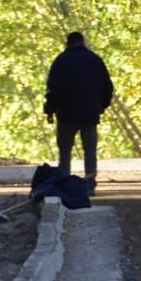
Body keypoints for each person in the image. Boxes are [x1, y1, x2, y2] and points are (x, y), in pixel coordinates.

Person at [44, 31, 114, 194]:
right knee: (90, 151)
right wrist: (101, 106)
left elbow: (53, 89)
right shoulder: (95, 60)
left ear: (67, 42)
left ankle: (65, 185)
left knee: (65, 151)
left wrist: (50, 110)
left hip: (66, 114)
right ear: (83, 42)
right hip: (89, 114)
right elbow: (107, 87)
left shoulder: (61, 61)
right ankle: (89, 184)